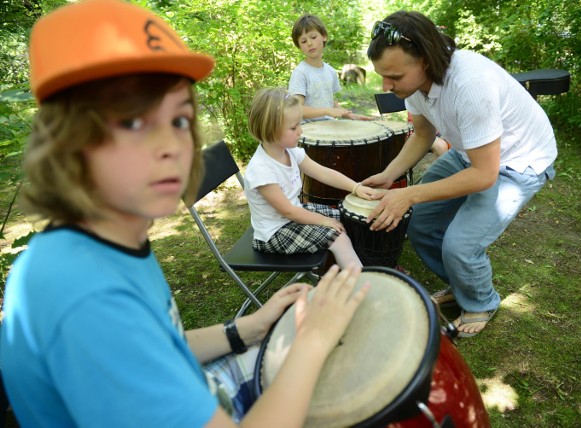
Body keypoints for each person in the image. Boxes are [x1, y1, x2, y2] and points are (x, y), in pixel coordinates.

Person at [0, 0, 369, 426]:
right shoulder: (83, 296)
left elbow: (157, 346)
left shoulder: (108, 244)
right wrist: (314, 342)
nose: (170, 146)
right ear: (66, 144)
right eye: (133, 122)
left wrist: (244, 330)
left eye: (178, 119)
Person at [362, 12, 557, 337]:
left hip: (519, 161)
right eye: (382, 76)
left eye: (393, 76)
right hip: (473, 152)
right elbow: (423, 135)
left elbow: (484, 176)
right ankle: (461, 285)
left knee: (460, 245)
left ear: (425, 60)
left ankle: (481, 302)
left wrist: (408, 194)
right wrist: (388, 175)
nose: (385, 86)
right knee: (422, 225)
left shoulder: (470, 84)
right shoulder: (411, 85)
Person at [245, 87, 379, 268]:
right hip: (275, 233)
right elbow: (289, 212)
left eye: (299, 124)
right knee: (338, 237)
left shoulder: (290, 151)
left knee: (347, 215)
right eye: (293, 127)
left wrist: (356, 187)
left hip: (295, 215)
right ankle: (361, 287)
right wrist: (325, 221)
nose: (300, 131)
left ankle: (343, 269)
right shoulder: (261, 170)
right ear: (269, 129)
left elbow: (323, 172)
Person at [288, 14, 374, 122]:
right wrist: (327, 111)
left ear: (324, 36)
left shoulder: (330, 71)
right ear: (299, 47)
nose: (309, 43)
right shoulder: (300, 73)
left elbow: (329, 102)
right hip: (308, 132)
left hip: (329, 127)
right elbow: (296, 109)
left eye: (313, 37)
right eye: (304, 41)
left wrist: (350, 115)